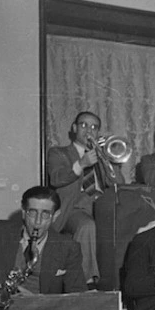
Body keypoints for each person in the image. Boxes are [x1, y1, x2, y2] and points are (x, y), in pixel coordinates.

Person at [47, 111, 124, 288]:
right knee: (87, 225)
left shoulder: (101, 155)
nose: (88, 130)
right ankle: (86, 283)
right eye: (83, 125)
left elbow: (119, 185)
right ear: (74, 128)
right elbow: (56, 178)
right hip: (72, 209)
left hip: (101, 208)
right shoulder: (59, 153)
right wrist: (82, 163)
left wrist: (109, 160)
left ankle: (116, 284)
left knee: (125, 222)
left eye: (94, 127)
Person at [0, 185, 86, 294]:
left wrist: (36, 301)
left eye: (45, 214)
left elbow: (77, 297)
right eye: (32, 212)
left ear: (55, 216)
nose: (37, 221)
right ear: (23, 212)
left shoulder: (68, 248)